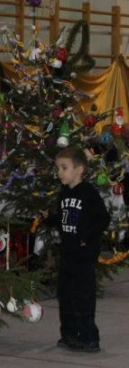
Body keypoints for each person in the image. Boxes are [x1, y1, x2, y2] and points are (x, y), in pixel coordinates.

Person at [43, 146, 110, 353]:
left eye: (64, 168)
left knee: (83, 295)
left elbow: (103, 219)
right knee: (65, 294)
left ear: (79, 170)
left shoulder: (89, 194)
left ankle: (89, 337)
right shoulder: (64, 194)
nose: (59, 173)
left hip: (84, 255)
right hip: (68, 252)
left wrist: (86, 238)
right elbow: (65, 218)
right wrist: (49, 219)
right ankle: (70, 334)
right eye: (58, 168)